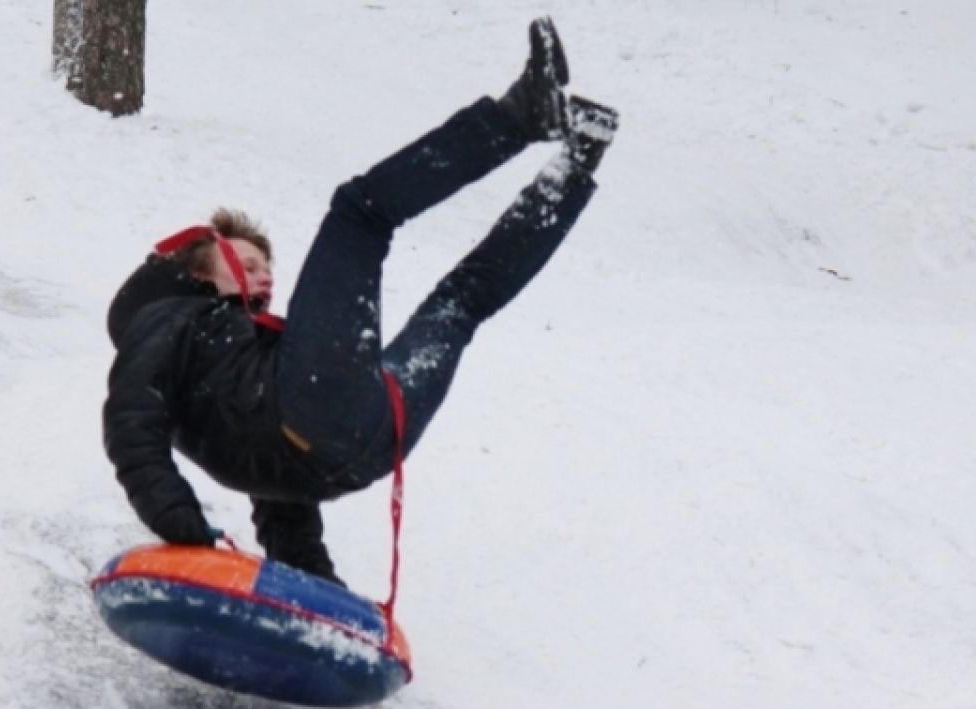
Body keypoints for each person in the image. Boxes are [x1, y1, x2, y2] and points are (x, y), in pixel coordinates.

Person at [103, 18, 619, 587]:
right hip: (341, 430)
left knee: (460, 305)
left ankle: (575, 166)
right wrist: (185, 529)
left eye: (269, 267)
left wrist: (318, 597)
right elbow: (132, 422)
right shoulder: (170, 320)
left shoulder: (237, 377)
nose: (267, 278)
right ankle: (522, 114)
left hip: (354, 438)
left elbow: (282, 497)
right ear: (196, 268)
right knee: (361, 212)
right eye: (248, 265)